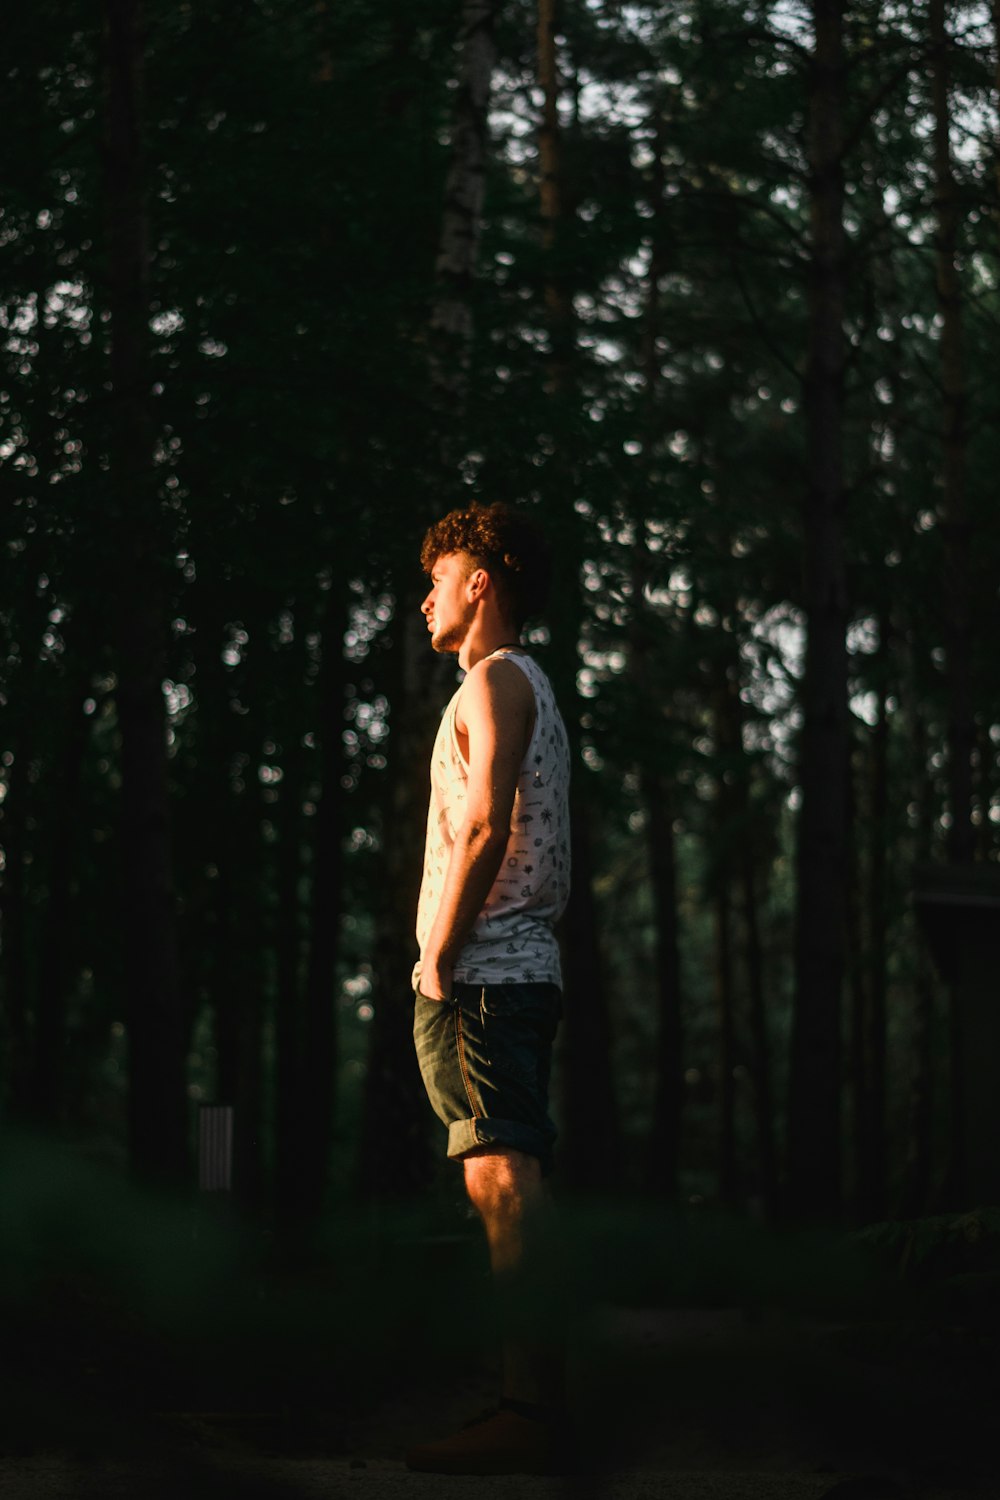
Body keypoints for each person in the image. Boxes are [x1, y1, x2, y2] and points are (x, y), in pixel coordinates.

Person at [405, 501, 571, 1476]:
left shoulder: (496, 679)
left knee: (504, 1178)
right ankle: (534, 1405)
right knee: (499, 1177)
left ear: (482, 582)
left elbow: (482, 826)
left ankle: (529, 1413)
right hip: (504, 968)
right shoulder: (512, 683)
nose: (425, 595)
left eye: (439, 575)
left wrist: (438, 952)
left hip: (487, 970)